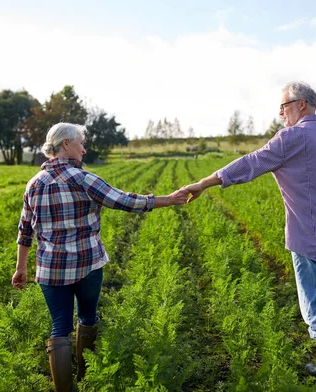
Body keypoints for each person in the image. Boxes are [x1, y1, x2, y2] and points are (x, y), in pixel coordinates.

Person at [184, 82, 316, 392]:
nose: (281, 112)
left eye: (284, 105)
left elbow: (251, 163)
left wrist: (204, 183)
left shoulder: (292, 137)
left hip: (309, 242)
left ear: (303, 105)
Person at [12, 123, 189, 392]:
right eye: (81, 143)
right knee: (87, 316)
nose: (84, 149)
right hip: (88, 265)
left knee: (59, 326)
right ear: (66, 144)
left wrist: (20, 267)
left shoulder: (33, 185)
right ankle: (88, 377)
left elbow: (25, 229)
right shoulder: (83, 179)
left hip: (50, 270)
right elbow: (125, 201)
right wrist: (169, 199)